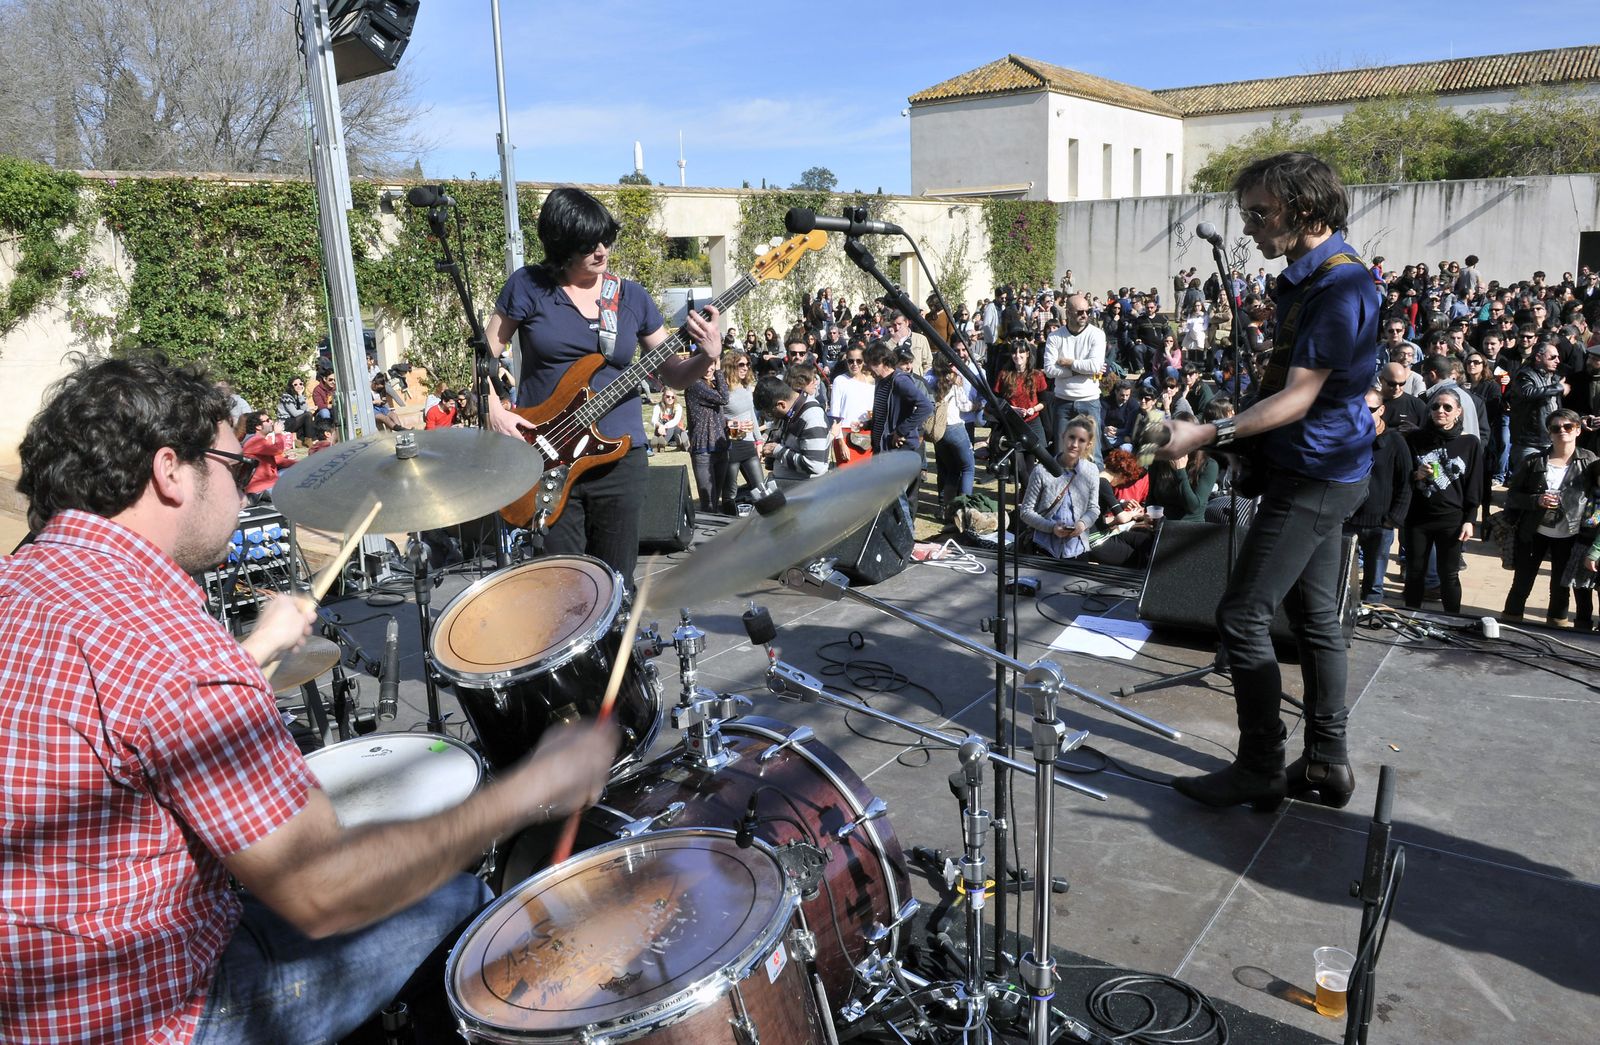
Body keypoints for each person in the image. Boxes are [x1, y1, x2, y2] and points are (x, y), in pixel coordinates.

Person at [0, 356, 618, 1045]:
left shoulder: (21, 584)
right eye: (238, 471)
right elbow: (325, 889)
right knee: (469, 906)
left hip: (30, 1001)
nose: (246, 492)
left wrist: (254, 652)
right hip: (153, 1017)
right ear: (169, 471)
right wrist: (528, 788)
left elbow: (126, 720)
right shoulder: (170, 644)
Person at [1156, 152, 1379, 812]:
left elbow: (1300, 397)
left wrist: (1207, 435)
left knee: (1243, 615)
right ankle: (1327, 761)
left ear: (1304, 211)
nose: (1249, 227)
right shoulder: (1322, 279)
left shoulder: (1339, 288)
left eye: (1260, 212)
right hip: (1330, 468)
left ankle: (1260, 763)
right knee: (1315, 618)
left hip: (1312, 475)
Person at [484, 187, 722, 579]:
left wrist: (707, 355)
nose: (601, 251)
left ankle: (615, 643)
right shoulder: (528, 286)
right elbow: (484, 357)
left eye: (606, 240)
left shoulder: (631, 297)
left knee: (614, 583)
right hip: (547, 452)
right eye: (588, 244)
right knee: (564, 582)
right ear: (561, 245)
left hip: (618, 456)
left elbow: (675, 373)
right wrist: (495, 410)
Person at [1502, 408, 1600, 628]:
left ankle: (1557, 626)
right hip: (1534, 531)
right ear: (1549, 433)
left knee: (1560, 586)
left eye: (1568, 427)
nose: (1562, 431)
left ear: (1577, 430)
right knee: (1522, 581)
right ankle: (1510, 623)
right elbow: (1513, 495)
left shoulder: (1589, 460)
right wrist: (1536, 500)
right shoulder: (1534, 461)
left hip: (1571, 533)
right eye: (1556, 428)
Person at [1018, 415, 1151, 566]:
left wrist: (1082, 524)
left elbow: (1093, 509)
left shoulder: (1091, 470)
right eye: (1071, 437)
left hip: (1079, 549)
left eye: (1081, 440)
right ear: (1063, 437)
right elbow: (1026, 512)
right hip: (1044, 548)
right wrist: (1052, 528)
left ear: (1088, 445)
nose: (1075, 444)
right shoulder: (1041, 471)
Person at [1401, 388, 1481, 613]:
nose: (1440, 411)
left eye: (1447, 407)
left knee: (1449, 573)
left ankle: (1452, 620)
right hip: (1418, 516)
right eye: (1435, 406)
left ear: (1458, 412)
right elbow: (1401, 475)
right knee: (1415, 571)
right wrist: (1416, 475)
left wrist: (1470, 519)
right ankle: (1410, 616)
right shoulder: (1416, 439)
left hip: (1451, 519)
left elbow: (1474, 484)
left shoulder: (1469, 443)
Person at [1343, 389, 1412, 604]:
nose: (1363, 413)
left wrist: (1393, 519)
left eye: (1370, 409)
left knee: (1374, 584)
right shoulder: (1345, 438)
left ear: (1381, 410)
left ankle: (1371, 614)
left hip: (1379, 523)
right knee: (1340, 576)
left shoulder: (1395, 442)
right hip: (1347, 520)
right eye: (1358, 409)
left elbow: (1405, 482)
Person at [1042, 293, 1106, 459]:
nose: (1085, 315)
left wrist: (1068, 362)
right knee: (1062, 454)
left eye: (1087, 311)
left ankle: (1095, 484)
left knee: (1094, 454)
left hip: (1089, 400)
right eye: (1079, 312)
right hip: (1063, 400)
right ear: (1068, 312)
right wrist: (1081, 370)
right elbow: (1049, 370)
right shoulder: (1055, 337)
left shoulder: (1096, 334)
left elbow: (1095, 365)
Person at [754, 371, 828, 485]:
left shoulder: (812, 417)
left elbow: (815, 465)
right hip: (792, 486)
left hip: (806, 490)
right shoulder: (793, 409)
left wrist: (777, 451)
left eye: (769, 412)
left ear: (781, 404)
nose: (770, 416)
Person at [714, 350, 764, 513]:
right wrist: (733, 424)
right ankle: (730, 524)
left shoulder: (746, 387)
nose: (745, 368)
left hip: (749, 443)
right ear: (730, 366)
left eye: (747, 364)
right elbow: (717, 419)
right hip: (731, 445)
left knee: (761, 488)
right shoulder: (722, 391)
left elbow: (752, 416)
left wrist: (759, 441)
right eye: (741, 364)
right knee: (729, 494)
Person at [829, 343, 876, 465]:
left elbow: (872, 410)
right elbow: (835, 414)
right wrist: (840, 442)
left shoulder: (871, 382)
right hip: (845, 435)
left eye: (859, 361)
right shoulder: (839, 381)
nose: (855, 364)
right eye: (851, 361)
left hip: (867, 435)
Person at [239, 410, 297, 504]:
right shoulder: (255, 441)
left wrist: (300, 464)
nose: (271, 422)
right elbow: (278, 450)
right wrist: (278, 433)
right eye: (267, 420)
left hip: (270, 482)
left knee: (298, 473)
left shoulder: (260, 441)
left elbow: (277, 460)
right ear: (258, 427)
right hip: (261, 488)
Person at [276, 376, 315, 444]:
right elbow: (295, 413)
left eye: (300, 384)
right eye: (295, 384)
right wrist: (306, 410)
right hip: (285, 422)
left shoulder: (300, 396)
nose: (298, 386)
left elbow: (304, 409)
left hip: (293, 420)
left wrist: (300, 395)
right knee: (308, 415)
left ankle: (304, 440)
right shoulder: (286, 397)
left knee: (308, 416)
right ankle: (308, 440)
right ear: (291, 386)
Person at [649, 387, 688, 451]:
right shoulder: (658, 407)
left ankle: (662, 444)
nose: (670, 399)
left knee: (672, 427)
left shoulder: (678, 407)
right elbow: (653, 420)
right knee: (659, 428)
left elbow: (675, 421)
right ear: (663, 397)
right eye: (668, 396)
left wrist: (664, 426)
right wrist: (660, 426)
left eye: (672, 397)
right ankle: (659, 443)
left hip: (676, 433)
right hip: (662, 432)